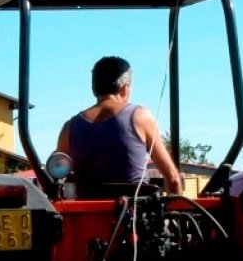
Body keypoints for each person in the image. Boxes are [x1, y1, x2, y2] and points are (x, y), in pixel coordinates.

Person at [57, 56, 182, 195]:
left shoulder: (69, 128)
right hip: (136, 207)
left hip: (86, 207)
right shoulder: (140, 117)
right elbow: (173, 179)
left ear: (93, 89)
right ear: (125, 88)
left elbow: (55, 173)